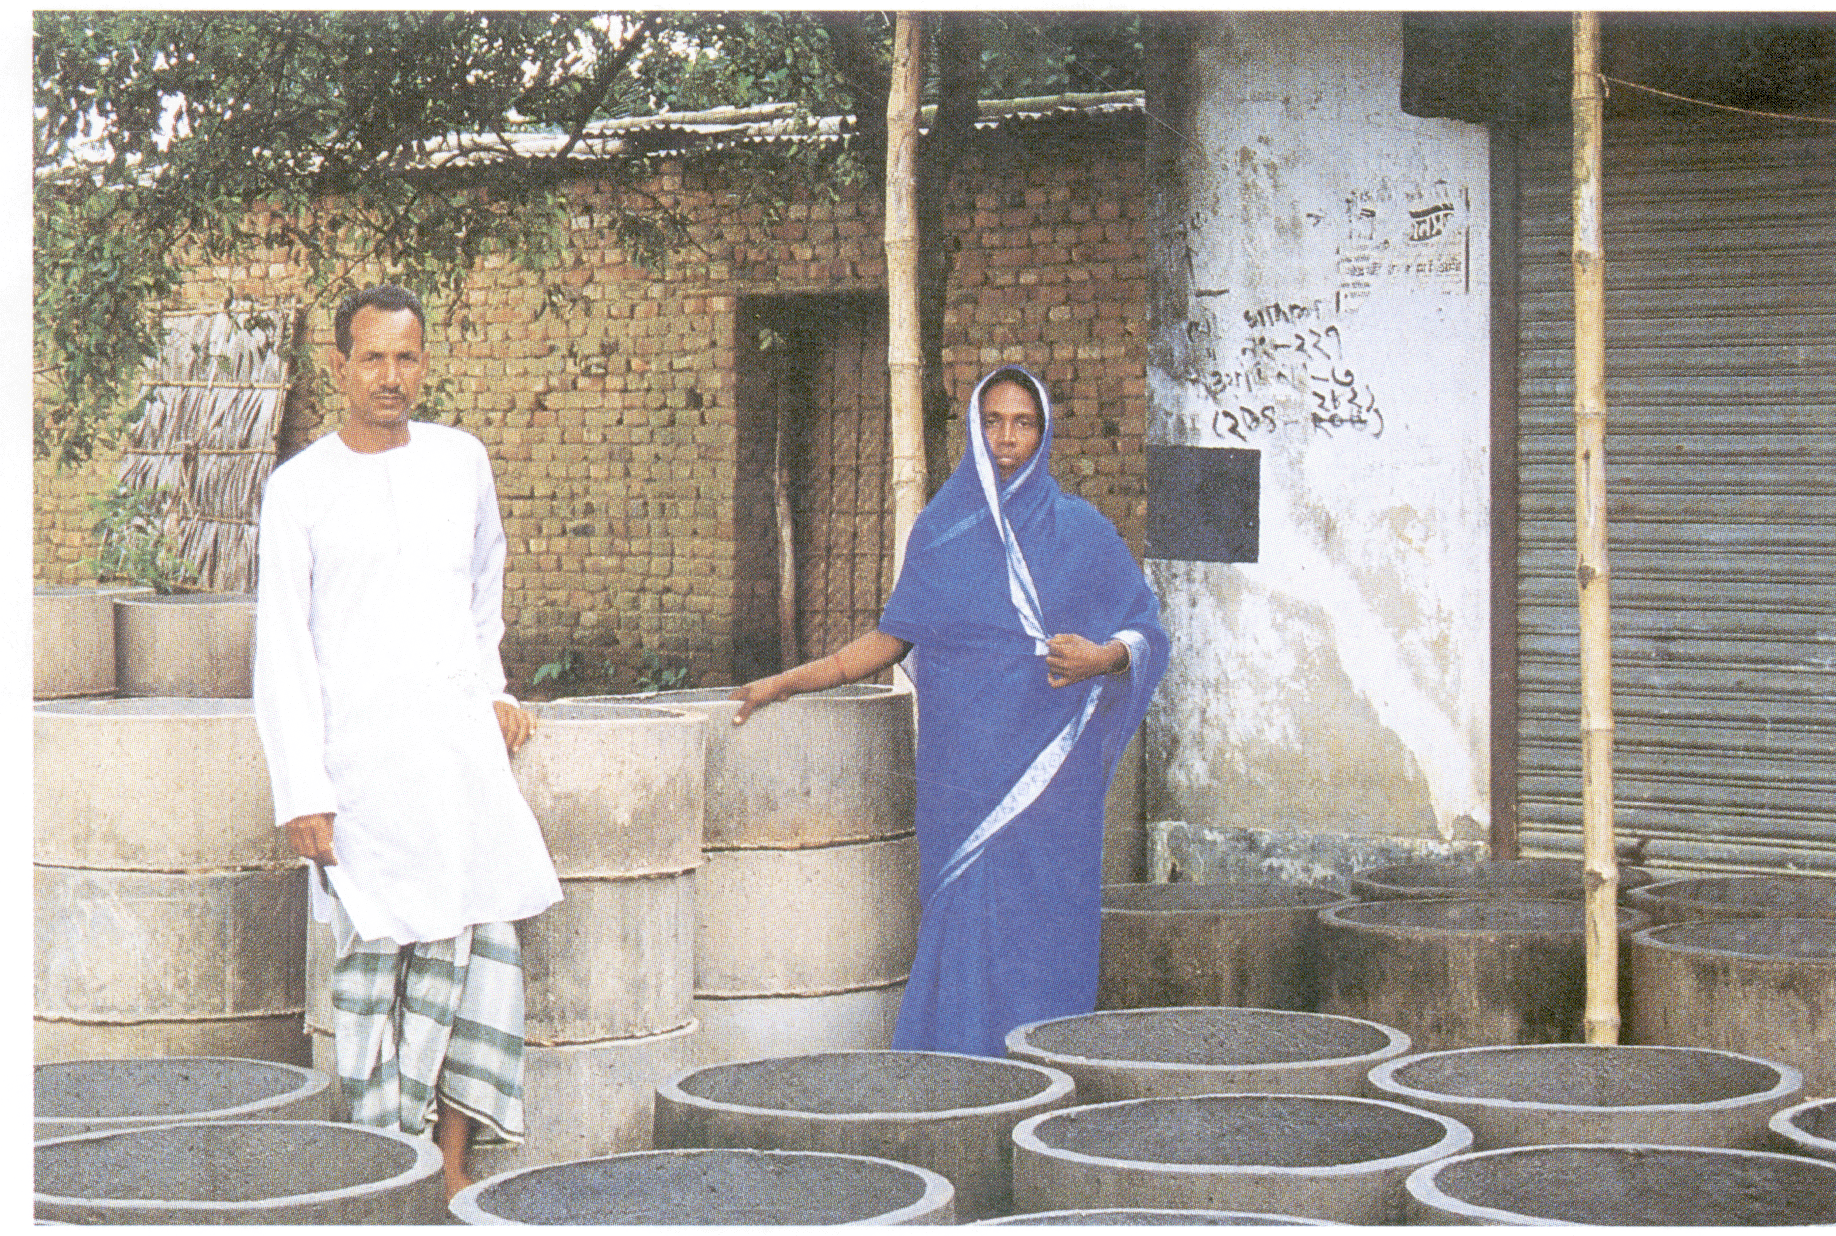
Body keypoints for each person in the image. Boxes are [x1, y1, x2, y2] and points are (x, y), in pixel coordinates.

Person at [729, 366, 1167, 1055]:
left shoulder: (1081, 531)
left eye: (1023, 423)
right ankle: (955, 1076)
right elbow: (889, 637)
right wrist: (787, 682)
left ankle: (1042, 1072)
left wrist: (1102, 658)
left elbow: (1145, 628)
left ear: (1044, 431)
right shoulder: (941, 530)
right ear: (972, 427)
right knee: (962, 919)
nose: (1006, 438)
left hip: (1051, 784)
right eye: (992, 421)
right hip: (960, 778)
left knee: (1042, 929)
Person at [253, 284, 562, 1198]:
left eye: (408, 357)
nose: (391, 377)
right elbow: (284, 647)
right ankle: (390, 1174)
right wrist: (301, 788)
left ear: (427, 363)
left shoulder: (460, 460)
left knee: (477, 958)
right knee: (377, 977)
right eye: (373, 358)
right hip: (359, 772)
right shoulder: (298, 486)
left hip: (454, 759)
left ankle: (457, 1178)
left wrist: (491, 692)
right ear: (339, 366)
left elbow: (481, 596)